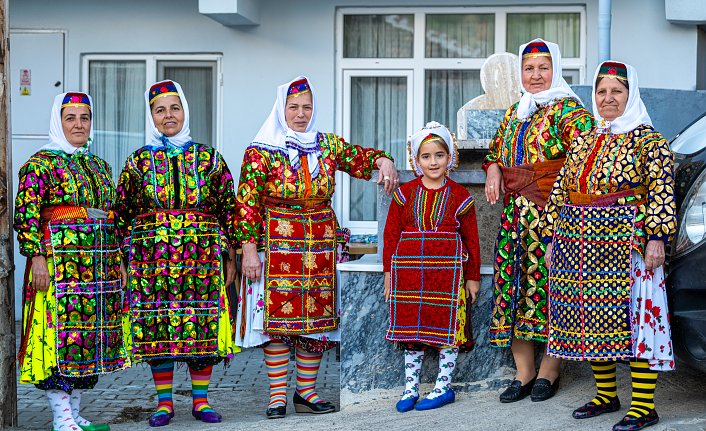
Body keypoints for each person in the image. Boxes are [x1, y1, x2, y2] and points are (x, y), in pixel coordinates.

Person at [235, 76, 398, 418]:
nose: (300, 113)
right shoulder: (261, 149)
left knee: (318, 321)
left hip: (320, 245)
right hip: (276, 244)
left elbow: (359, 159)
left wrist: (384, 161)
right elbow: (246, 202)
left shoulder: (327, 145)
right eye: (293, 107)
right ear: (282, 109)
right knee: (275, 323)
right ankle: (277, 396)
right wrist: (248, 249)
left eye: (307, 106)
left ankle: (306, 391)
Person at [542, 61, 676, 431]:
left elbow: (663, 192)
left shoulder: (650, 141)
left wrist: (657, 238)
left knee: (635, 323)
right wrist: (553, 237)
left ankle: (645, 406)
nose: (608, 98)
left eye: (617, 91)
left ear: (631, 94)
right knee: (587, 320)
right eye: (601, 91)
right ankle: (605, 395)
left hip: (626, 244)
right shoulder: (585, 140)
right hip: (577, 242)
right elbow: (561, 190)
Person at [115, 80, 239, 427]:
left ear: (185, 111)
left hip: (201, 259)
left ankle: (201, 402)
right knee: (159, 330)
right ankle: (164, 404)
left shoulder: (210, 158)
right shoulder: (138, 162)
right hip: (151, 262)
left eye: (174, 108)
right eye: (160, 110)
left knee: (201, 325)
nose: (168, 116)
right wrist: (123, 259)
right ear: (152, 116)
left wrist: (231, 253)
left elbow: (229, 208)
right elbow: (121, 213)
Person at [484, 38, 593, 403]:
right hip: (514, 219)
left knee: (552, 290)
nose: (535, 75)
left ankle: (550, 369)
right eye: (528, 68)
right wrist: (494, 170)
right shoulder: (517, 112)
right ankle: (524, 371)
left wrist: (553, 188)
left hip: (553, 218)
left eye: (543, 67)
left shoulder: (569, 112)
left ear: (556, 70)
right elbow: (493, 151)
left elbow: (587, 157)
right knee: (513, 289)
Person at [14, 92, 129, 431]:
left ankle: (75, 413)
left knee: (85, 340)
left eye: (84, 118)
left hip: (95, 269)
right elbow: (26, 215)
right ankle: (61, 419)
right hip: (57, 269)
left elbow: (113, 216)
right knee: (58, 337)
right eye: (70, 118)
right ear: (58, 122)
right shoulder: (39, 165)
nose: (78, 124)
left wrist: (118, 260)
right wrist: (36, 257)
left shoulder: (98, 165)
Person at [383, 122, 481, 412]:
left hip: (447, 276)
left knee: (447, 331)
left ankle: (443, 387)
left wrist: (472, 278)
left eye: (439, 155)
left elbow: (471, 240)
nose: (433, 162)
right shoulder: (405, 193)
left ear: (449, 157)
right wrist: (389, 273)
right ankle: (410, 388)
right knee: (411, 332)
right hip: (410, 275)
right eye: (426, 156)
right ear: (416, 160)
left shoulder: (461, 196)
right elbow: (391, 235)